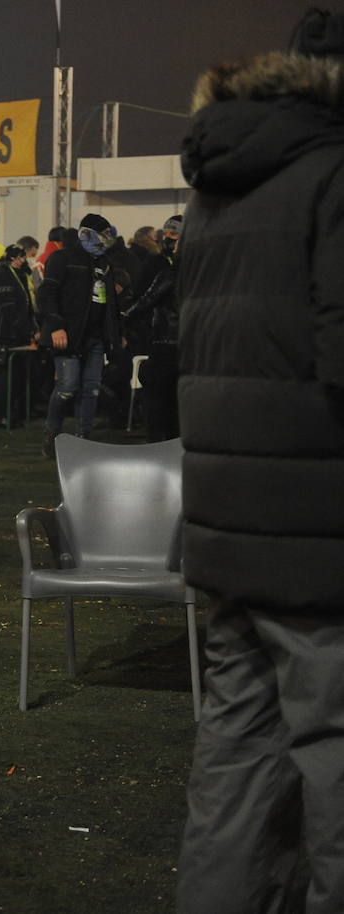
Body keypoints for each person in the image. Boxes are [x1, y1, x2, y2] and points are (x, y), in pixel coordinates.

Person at [173, 20, 344, 910]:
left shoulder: (221, 187)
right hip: (321, 541)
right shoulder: (331, 174)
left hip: (229, 532)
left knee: (236, 774)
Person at [35, 215, 124, 457]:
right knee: (67, 387)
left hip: (95, 337)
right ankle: (52, 436)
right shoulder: (62, 258)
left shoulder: (104, 263)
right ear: (89, 233)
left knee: (91, 389)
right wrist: (56, 326)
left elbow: (109, 304)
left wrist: (115, 334)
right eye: (104, 232)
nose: (108, 237)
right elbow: (47, 294)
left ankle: (83, 439)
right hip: (68, 336)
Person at [122, 215, 181, 442]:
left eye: (173, 237)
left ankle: (159, 447)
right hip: (187, 344)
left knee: (158, 403)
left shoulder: (170, 272)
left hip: (166, 343)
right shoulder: (201, 272)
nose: (168, 241)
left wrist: (122, 320)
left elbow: (145, 301)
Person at [0, 244, 37, 428]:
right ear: (12, 259)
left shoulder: (10, 275)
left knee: (8, 377)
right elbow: (8, 308)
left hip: (4, 334)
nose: (23, 261)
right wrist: (28, 330)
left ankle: (5, 413)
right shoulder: (4, 277)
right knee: (1, 378)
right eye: (20, 257)